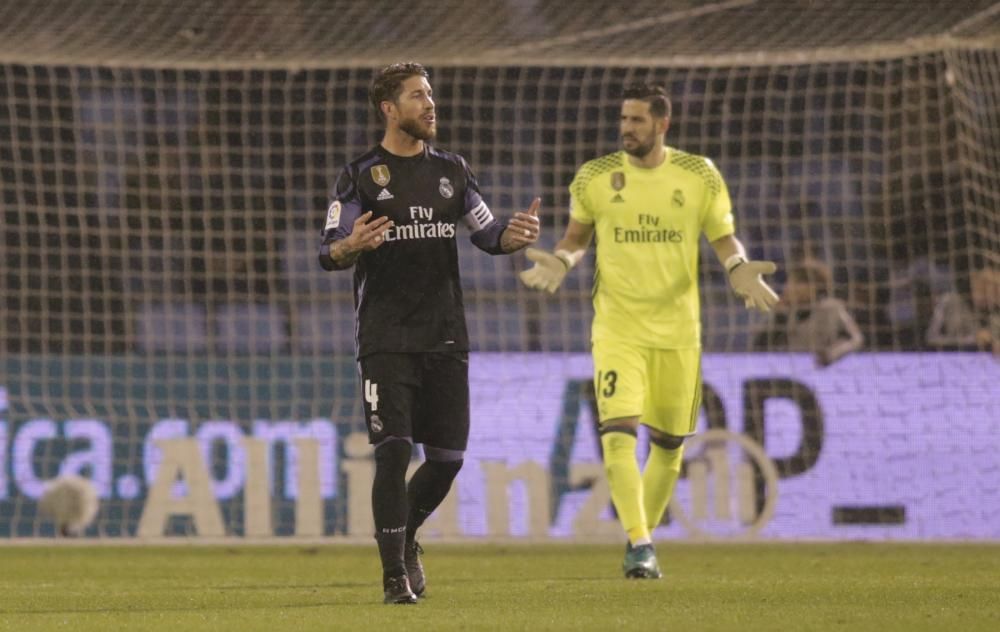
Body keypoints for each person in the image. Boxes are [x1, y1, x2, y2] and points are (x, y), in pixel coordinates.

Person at [519, 83, 777, 579]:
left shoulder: (699, 174)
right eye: (623, 119)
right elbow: (577, 238)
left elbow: (723, 239)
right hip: (618, 328)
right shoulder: (595, 176)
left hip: (679, 332)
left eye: (637, 120)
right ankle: (639, 542)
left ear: (663, 124)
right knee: (618, 431)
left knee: (669, 445)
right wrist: (561, 261)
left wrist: (739, 267)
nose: (626, 129)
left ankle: (644, 542)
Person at [318, 62, 540, 604]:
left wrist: (513, 238)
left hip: (445, 335)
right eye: (418, 96)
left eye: (431, 95)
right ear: (389, 109)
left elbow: (486, 234)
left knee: (446, 460)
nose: (430, 104)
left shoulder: (454, 171)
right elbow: (329, 249)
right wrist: (352, 245)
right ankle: (394, 576)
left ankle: (406, 538)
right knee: (393, 451)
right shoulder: (361, 175)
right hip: (386, 336)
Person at [753, 257, 864, 366]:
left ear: (813, 287)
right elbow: (759, 346)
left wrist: (833, 353)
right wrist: (778, 317)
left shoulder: (832, 308)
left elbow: (856, 339)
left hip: (825, 370)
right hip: (793, 370)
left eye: (795, 283)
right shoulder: (787, 313)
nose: (788, 288)